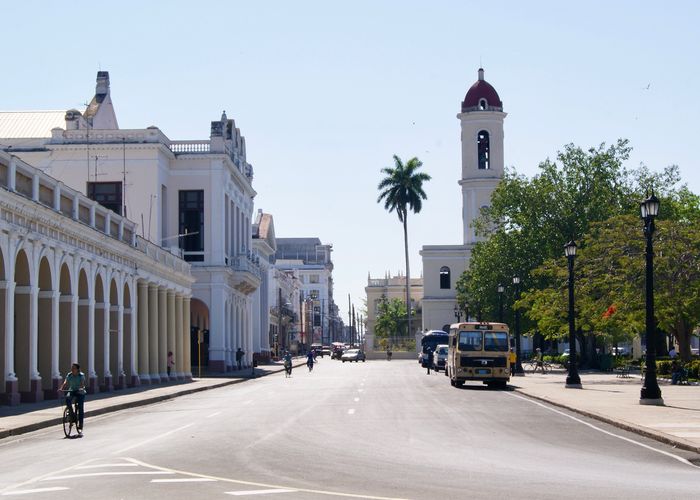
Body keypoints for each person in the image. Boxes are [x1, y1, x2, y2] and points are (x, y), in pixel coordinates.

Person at [60, 363, 86, 431]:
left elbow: (82, 384)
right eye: (71, 368)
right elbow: (65, 382)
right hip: (72, 390)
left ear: (77, 369)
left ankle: (80, 424)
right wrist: (61, 388)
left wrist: (81, 387)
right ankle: (72, 415)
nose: (72, 369)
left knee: (80, 407)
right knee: (68, 399)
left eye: (74, 368)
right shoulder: (69, 375)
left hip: (80, 392)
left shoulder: (81, 375)